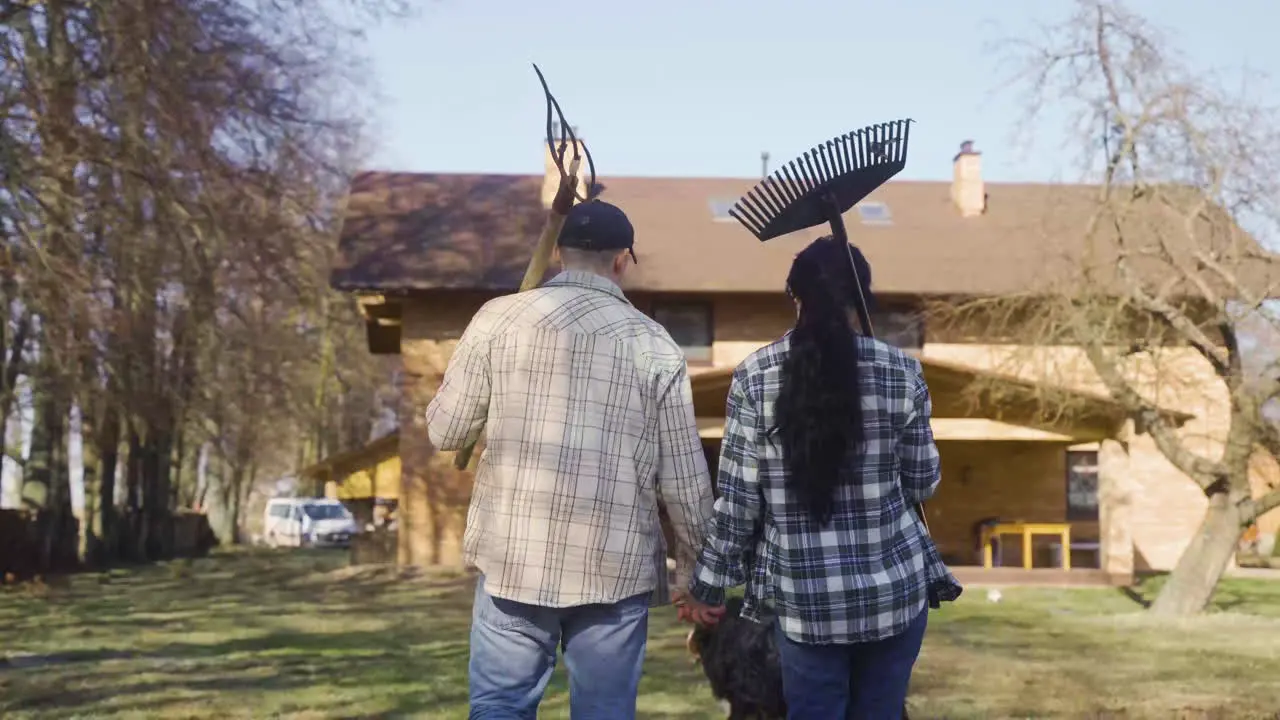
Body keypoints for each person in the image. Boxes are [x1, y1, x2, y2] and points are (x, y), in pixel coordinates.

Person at [425, 199, 715, 720]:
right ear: (623, 259)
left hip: (513, 558)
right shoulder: (656, 345)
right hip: (615, 566)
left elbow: (447, 431)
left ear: (558, 252)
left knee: (499, 710)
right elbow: (686, 481)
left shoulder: (497, 320)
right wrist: (692, 572)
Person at [677, 236, 962, 720]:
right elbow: (923, 483)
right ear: (862, 300)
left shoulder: (755, 376)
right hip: (894, 594)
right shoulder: (902, 373)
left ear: (795, 296)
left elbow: (739, 503)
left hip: (806, 605)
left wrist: (706, 585)